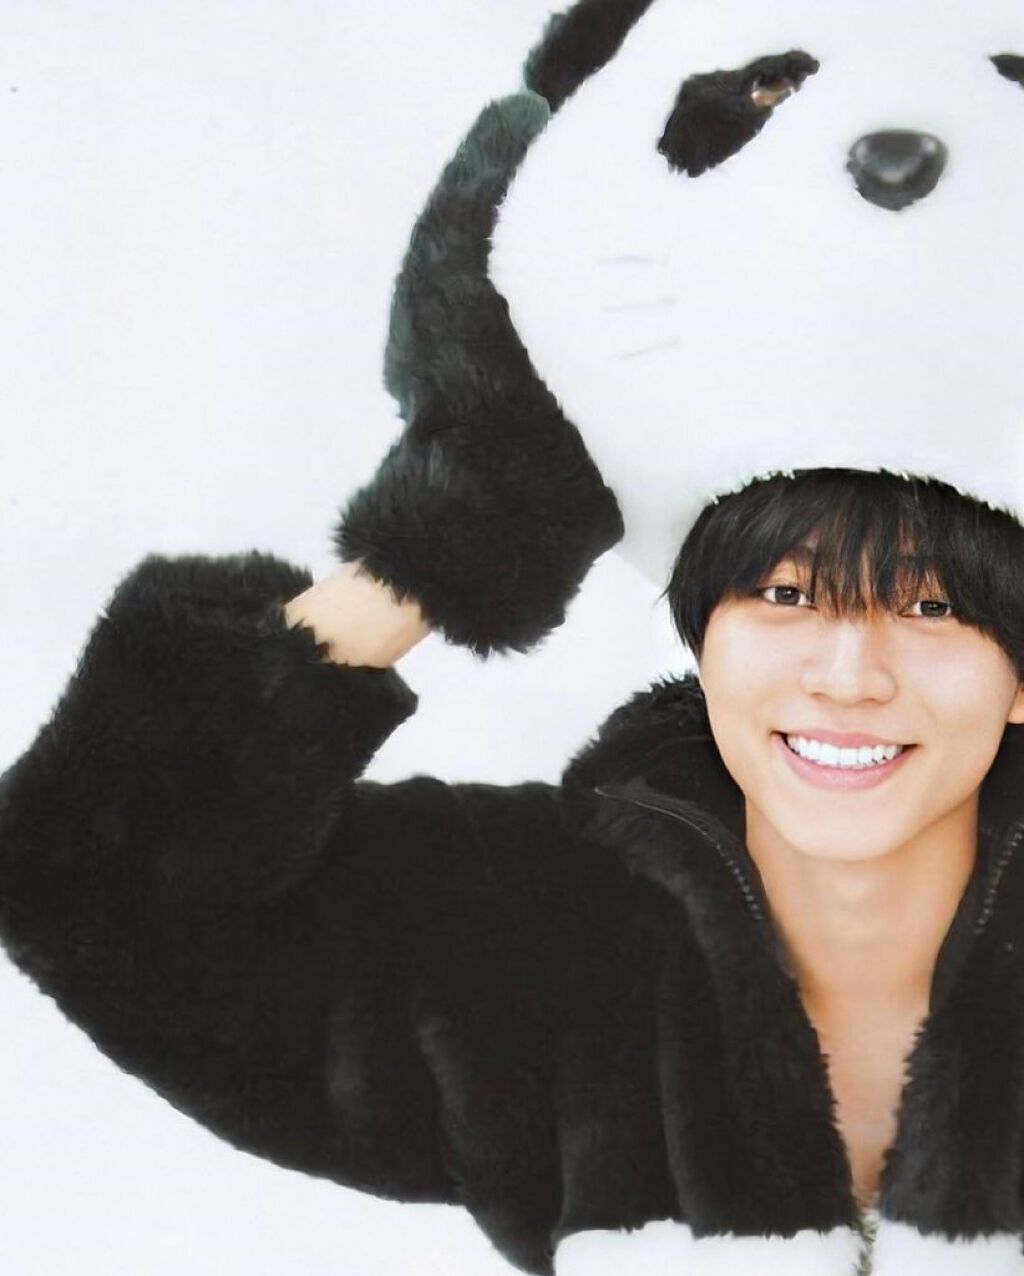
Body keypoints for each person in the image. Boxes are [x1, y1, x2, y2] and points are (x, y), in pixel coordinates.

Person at [2, 466, 1024, 1276]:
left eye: (932, 607)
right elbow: (88, 888)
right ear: (703, 637)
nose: (847, 677)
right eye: (786, 592)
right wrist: (435, 553)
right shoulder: (534, 922)